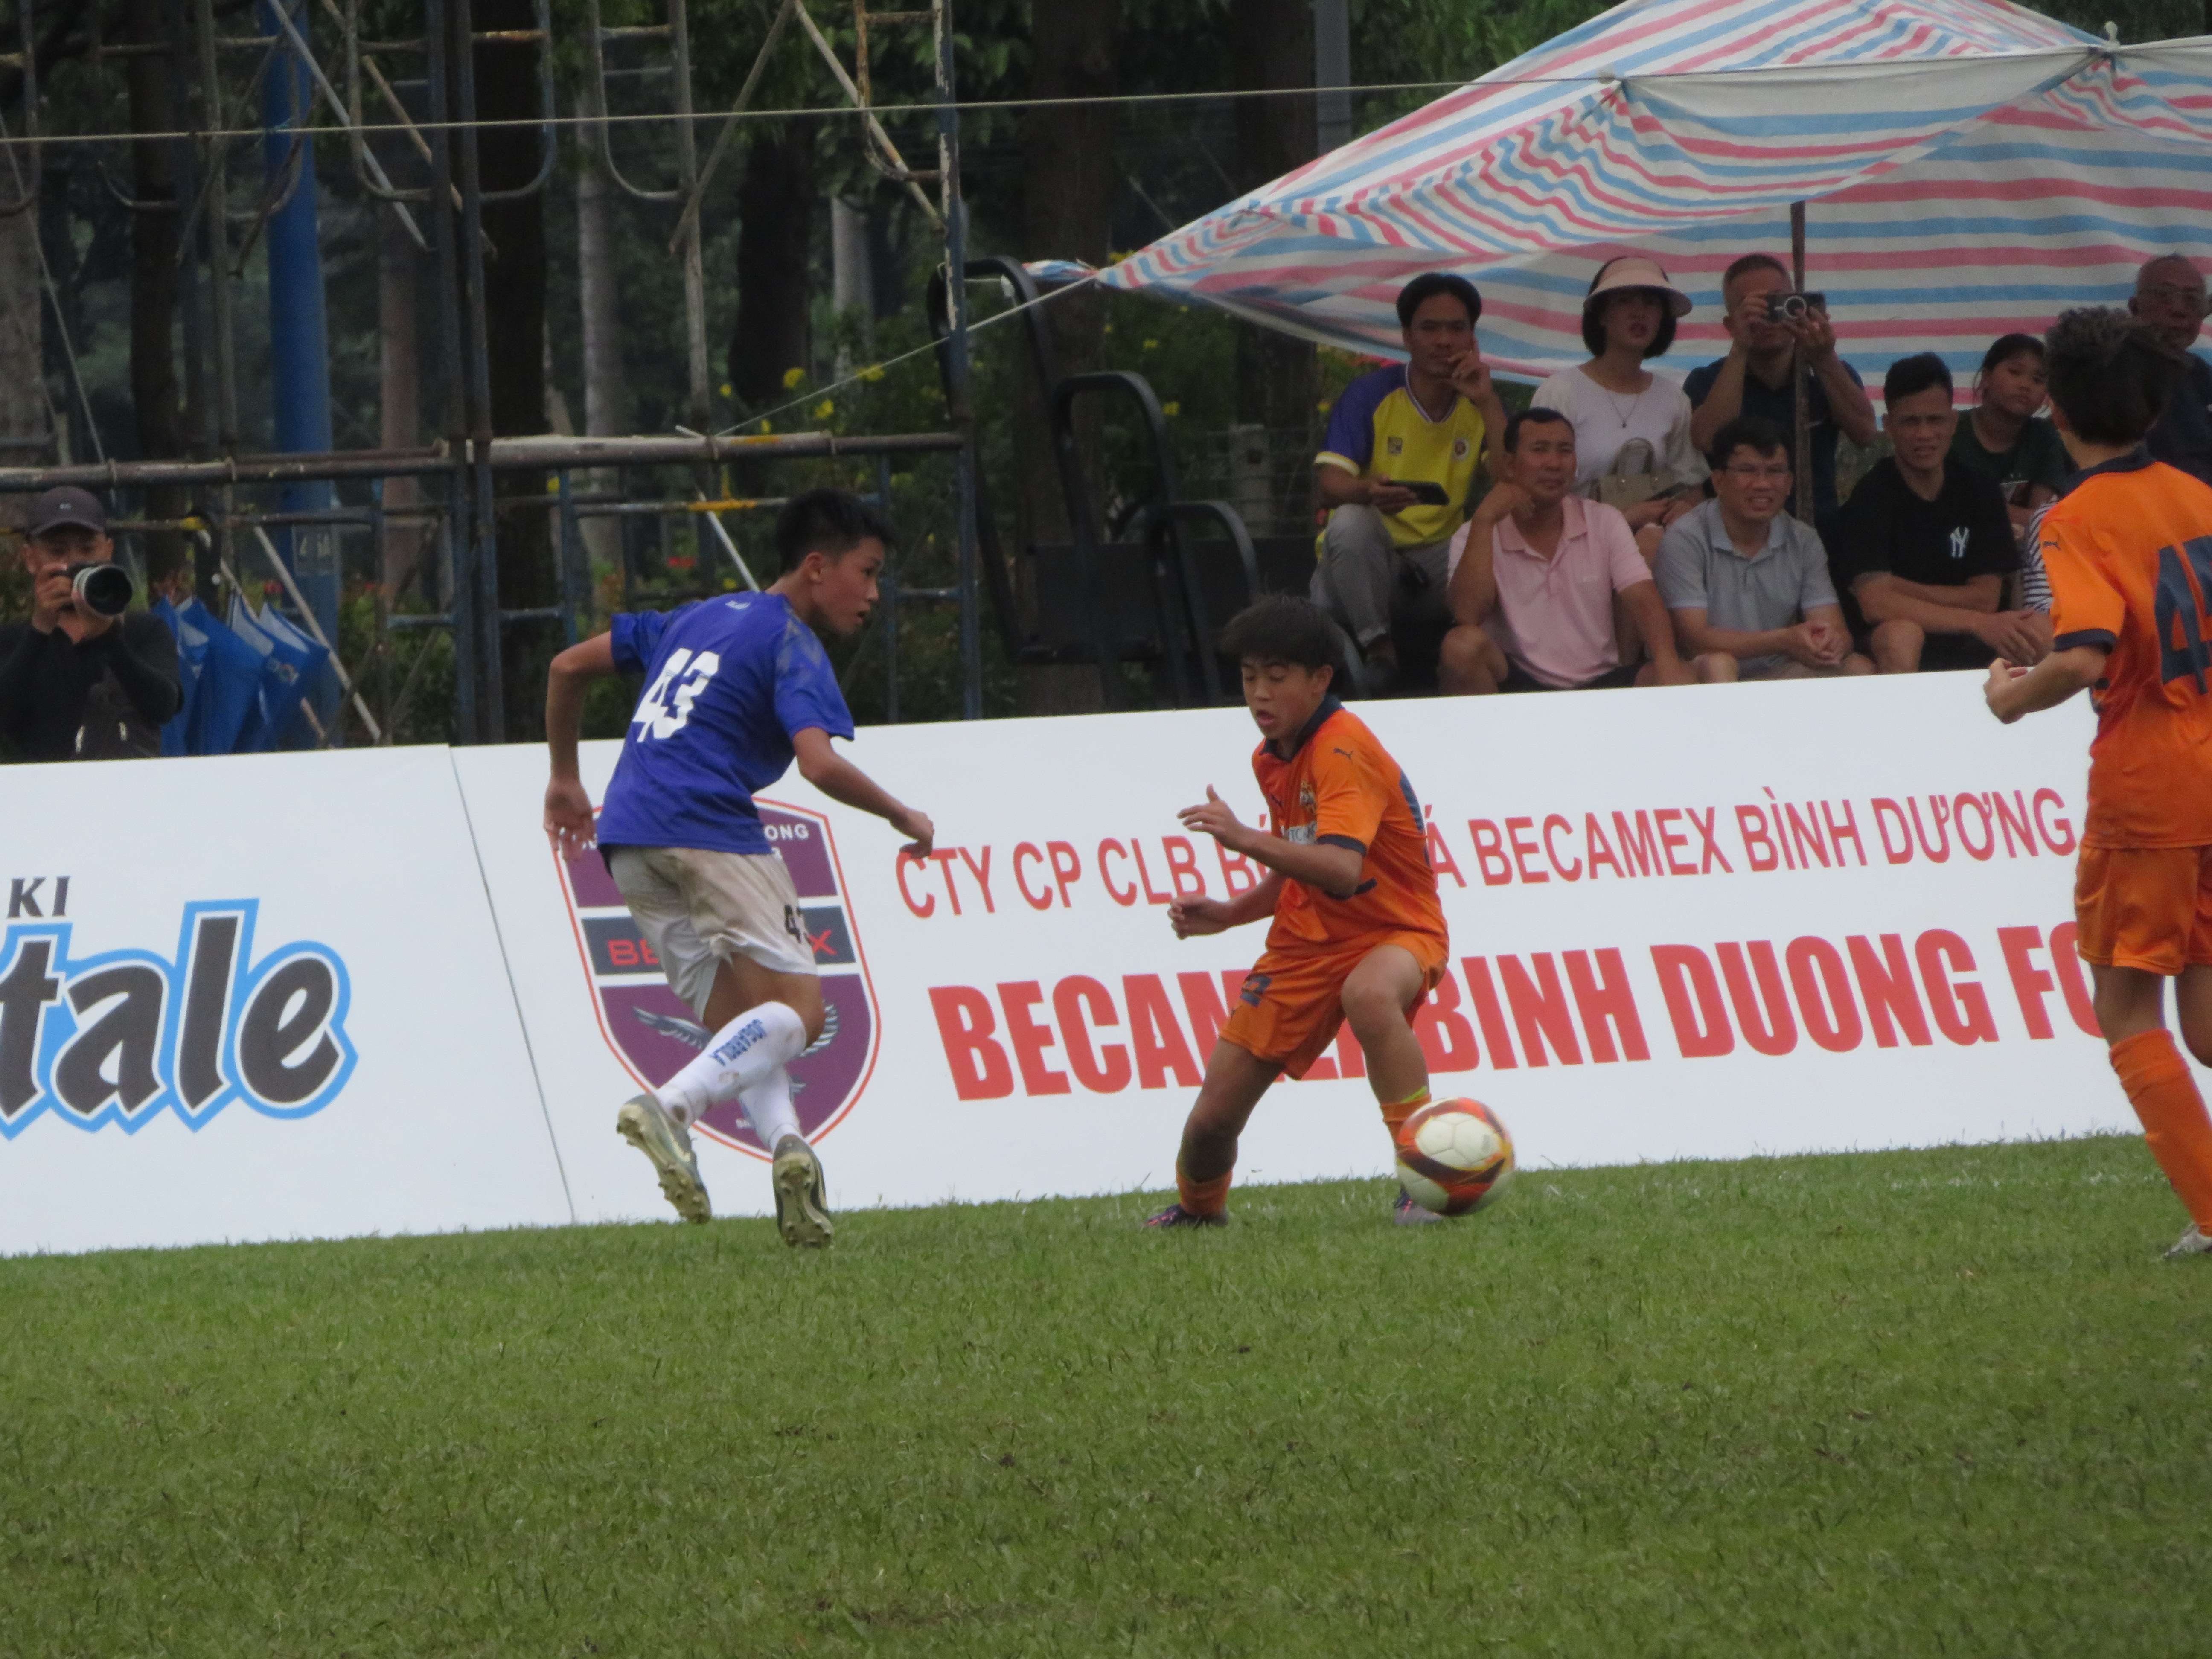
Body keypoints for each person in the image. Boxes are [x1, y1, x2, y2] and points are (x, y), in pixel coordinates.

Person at [542, 489, 936, 1246]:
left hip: (628, 838)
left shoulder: (692, 618)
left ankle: (790, 1150)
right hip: (708, 828)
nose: (874, 594)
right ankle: (672, 1107)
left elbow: (566, 667)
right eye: (867, 572)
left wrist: (564, 778)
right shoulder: (791, 640)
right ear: (817, 567)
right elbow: (818, 764)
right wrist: (901, 814)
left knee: (743, 1024)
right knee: (801, 1015)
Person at [1983, 305, 2212, 1260]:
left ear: (2057, 409)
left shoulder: (2071, 519)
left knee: (2124, 1010)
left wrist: (2008, 696)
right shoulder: (2197, 494)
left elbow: (2081, 654)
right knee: (2205, 1019)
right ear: (2151, 408)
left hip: (2150, 785)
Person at [1144, 594, 1453, 1229]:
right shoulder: (1273, 756)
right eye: (1249, 677)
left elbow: (1341, 870)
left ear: (1320, 680)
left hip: (1397, 929)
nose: (1259, 693)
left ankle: (1424, 1177)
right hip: (1304, 944)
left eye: (1277, 677)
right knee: (1210, 1124)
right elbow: (1302, 858)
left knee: (1369, 994)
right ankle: (1199, 1212)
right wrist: (1232, 913)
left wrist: (1244, 838)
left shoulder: (1342, 751)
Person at [1312, 272, 1510, 691]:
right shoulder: (1371, 394)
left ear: (1472, 338)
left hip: (1437, 563)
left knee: (1499, 531)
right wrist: (1369, 492)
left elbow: (1512, 482)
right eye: (1430, 328)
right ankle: (1378, 647)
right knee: (1349, 521)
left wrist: (1487, 401)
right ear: (1406, 337)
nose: (1444, 341)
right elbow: (1329, 484)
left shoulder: (1481, 402)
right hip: (1366, 567)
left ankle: (1487, 655)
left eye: (1456, 329)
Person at [1437, 408, 1691, 694]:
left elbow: (1642, 597)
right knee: (1461, 647)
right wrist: (1484, 520)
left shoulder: (1604, 520)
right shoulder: (1473, 533)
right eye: (1540, 450)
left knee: (1690, 672)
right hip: (1519, 685)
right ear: (1509, 464)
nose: (1554, 463)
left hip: (1601, 682)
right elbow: (1468, 615)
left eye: (1565, 451)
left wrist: (1668, 663)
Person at [1831, 353, 2034, 673]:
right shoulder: (1870, 496)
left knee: (2039, 631)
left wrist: (1898, 587)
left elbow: (1986, 598)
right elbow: (1876, 605)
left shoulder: (1980, 489)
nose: (1924, 434)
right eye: (1911, 422)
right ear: (1889, 427)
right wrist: (1975, 620)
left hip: (1973, 635)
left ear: (1953, 422)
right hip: (1899, 637)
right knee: (1901, 634)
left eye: (1935, 420)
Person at [1656, 416, 1872, 682]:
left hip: (1778, 672)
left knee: (1858, 667)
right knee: (1719, 665)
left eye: (1775, 471)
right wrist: (1783, 640)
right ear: (1718, 481)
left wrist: (1832, 642)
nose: (1763, 484)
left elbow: (1835, 628)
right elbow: (1694, 640)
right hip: (1699, 675)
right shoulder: (1686, 538)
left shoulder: (1803, 539)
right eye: (1747, 470)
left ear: (1789, 483)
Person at [1531, 255, 1705, 561]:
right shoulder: (1560, 392)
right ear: (1601, 315)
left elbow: (1692, 484)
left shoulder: (1673, 398)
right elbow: (1534, 491)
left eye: (1651, 303)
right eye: (1625, 301)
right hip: (1568, 551)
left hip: (1653, 551)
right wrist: (1623, 519)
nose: (1639, 313)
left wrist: (1684, 509)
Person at [1685, 253, 1878, 527]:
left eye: (1778, 303)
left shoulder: (1827, 373)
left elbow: (1866, 433)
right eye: (1755, 308)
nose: (1770, 317)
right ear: (1730, 324)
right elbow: (1708, 441)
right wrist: (1740, 348)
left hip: (1817, 530)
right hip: (1736, 534)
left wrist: (1825, 359)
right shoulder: (1708, 380)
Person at [0, 486, 181, 761]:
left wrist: (110, 638)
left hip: (126, 783)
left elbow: (165, 707)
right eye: (57, 551)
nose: (73, 562)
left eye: (87, 549)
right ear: (31, 558)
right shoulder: (13, 641)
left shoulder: (144, 630)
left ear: (108, 551)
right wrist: (39, 630)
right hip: (42, 786)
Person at [1950, 333, 2070, 537]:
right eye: (2015, 372)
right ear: (1986, 378)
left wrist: (1981, 509)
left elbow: (2043, 520)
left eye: (2038, 380)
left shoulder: (2045, 437)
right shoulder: (1951, 431)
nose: (2025, 385)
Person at [2128, 254, 2212, 486]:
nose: (2179, 310)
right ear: (2135, 307)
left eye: (2192, 299)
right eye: (2164, 295)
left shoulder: (2203, 376)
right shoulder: (2109, 372)